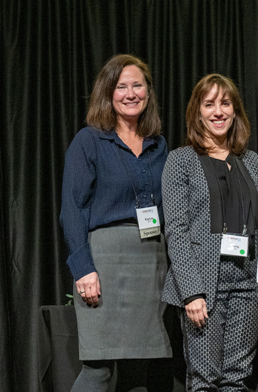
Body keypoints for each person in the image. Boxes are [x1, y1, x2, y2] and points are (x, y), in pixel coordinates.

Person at [60, 54, 171, 390]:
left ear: (148, 92)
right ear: (108, 93)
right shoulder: (89, 140)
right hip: (104, 264)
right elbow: (72, 209)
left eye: (138, 85)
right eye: (121, 87)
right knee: (99, 369)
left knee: (139, 369)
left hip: (150, 262)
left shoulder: (159, 145)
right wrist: (83, 269)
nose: (131, 93)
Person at [161, 74, 258, 390]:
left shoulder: (252, 161)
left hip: (247, 283)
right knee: (205, 380)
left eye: (225, 103)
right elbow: (176, 230)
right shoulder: (181, 160)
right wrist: (191, 292)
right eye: (209, 104)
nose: (218, 111)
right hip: (203, 285)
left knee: (237, 378)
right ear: (197, 111)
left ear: (235, 111)